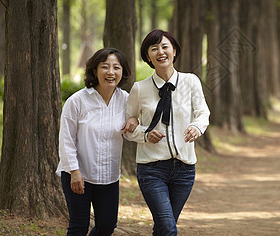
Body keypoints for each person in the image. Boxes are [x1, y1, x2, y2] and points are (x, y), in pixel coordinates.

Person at [122, 29, 210, 236]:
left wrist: (196, 127)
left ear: (174, 51)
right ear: (148, 57)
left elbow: (203, 113)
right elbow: (127, 129)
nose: (160, 52)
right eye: (154, 49)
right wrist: (145, 134)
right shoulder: (139, 89)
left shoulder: (190, 81)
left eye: (164, 46)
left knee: (164, 227)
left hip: (185, 169)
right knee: (168, 226)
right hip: (151, 170)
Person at [56, 48, 132, 236]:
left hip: (109, 176)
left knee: (107, 226)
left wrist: (134, 121)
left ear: (122, 72)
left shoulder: (126, 100)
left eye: (116, 67)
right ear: (95, 71)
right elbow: (66, 139)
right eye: (104, 67)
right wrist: (74, 171)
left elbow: (131, 131)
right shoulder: (77, 101)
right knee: (79, 226)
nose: (111, 72)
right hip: (78, 173)